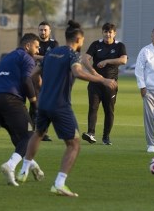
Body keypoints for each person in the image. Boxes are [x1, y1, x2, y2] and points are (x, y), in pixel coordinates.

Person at [16, 20, 117, 197]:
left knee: (38, 134)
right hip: (60, 105)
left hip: (44, 103)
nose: (83, 43)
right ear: (78, 39)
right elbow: (78, 72)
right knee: (74, 145)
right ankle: (59, 183)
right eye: (82, 40)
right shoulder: (72, 55)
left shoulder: (51, 53)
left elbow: (32, 75)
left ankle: (23, 171)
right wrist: (103, 80)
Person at [0, 33, 45, 186]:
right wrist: (34, 103)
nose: (38, 51)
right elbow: (27, 80)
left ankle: (33, 166)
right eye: (36, 47)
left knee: (18, 137)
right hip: (11, 101)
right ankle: (10, 166)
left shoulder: (5, 58)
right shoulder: (27, 58)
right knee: (30, 136)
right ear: (27, 46)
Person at [81, 23, 128, 145]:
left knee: (109, 110)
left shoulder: (119, 46)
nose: (108, 34)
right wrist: (93, 72)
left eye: (110, 32)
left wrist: (107, 61)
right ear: (102, 32)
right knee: (93, 107)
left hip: (111, 84)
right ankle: (91, 133)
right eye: (106, 32)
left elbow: (123, 60)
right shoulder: (96, 44)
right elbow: (85, 59)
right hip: (95, 83)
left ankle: (106, 137)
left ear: (114, 33)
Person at [34, 21, 59, 142]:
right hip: (34, 77)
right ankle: (31, 131)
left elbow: (55, 57)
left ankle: (43, 132)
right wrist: (47, 57)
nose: (43, 32)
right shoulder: (34, 42)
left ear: (49, 31)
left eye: (45, 30)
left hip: (49, 78)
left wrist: (40, 57)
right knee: (34, 104)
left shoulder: (54, 43)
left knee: (46, 105)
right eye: (41, 30)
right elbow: (31, 56)